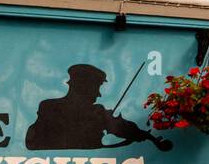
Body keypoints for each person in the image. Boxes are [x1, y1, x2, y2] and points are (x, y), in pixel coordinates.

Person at [24, 64, 172, 152]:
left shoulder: (48, 106)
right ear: (84, 87)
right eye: (96, 87)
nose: (98, 94)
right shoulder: (96, 112)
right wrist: (144, 136)